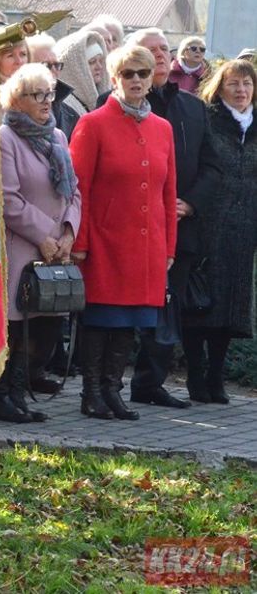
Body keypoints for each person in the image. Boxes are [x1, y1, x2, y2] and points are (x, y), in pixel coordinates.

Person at [69, 45, 177, 421]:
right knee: (101, 319)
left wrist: (168, 247)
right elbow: (77, 187)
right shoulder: (93, 124)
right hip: (104, 240)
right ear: (114, 78)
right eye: (128, 73)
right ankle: (91, 392)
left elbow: (168, 191)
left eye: (142, 74)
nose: (135, 80)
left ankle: (113, 390)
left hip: (147, 245)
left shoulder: (162, 128)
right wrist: (78, 242)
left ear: (151, 79)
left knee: (130, 322)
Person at [123, 28, 221, 410]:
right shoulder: (115, 105)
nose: (160, 56)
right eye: (151, 50)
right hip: (129, 227)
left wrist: (190, 203)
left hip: (179, 227)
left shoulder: (193, 107)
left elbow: (212, 166)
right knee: (121, 305)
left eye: (165, 49)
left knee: (168, 303)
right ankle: (106, 382)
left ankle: (150, 382)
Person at [0, 64, 80, 422]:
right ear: (16, 100)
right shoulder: (6, 137)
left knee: (44, 325)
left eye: (49, 93)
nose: (46, 101)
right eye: (37, 94)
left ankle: (19, 393)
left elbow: (74, 190)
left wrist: (69, 231)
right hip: (22, 247)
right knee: (16, 325)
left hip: (57, 250)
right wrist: (45, 236)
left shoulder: (58, 137)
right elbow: (8, 198)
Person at [183, 60, 257, 403]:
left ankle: (216, 376)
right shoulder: (209, 120)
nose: (241, 91)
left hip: (243, 231)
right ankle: (196, 375)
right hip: (208, 225)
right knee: (200, 304)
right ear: (220, 88)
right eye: (234, 85)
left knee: (231, 308)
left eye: (247, 84)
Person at [26, 33, 79, 140]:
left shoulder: (70, 115)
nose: (54, 71)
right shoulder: (16, 110)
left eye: (57, 65)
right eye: (46, 65)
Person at [55, 29, 107, 115]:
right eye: (92, 62)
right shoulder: (65, 108)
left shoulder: (106, 100)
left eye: (101, 61)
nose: (99, 67)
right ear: (75, 68)